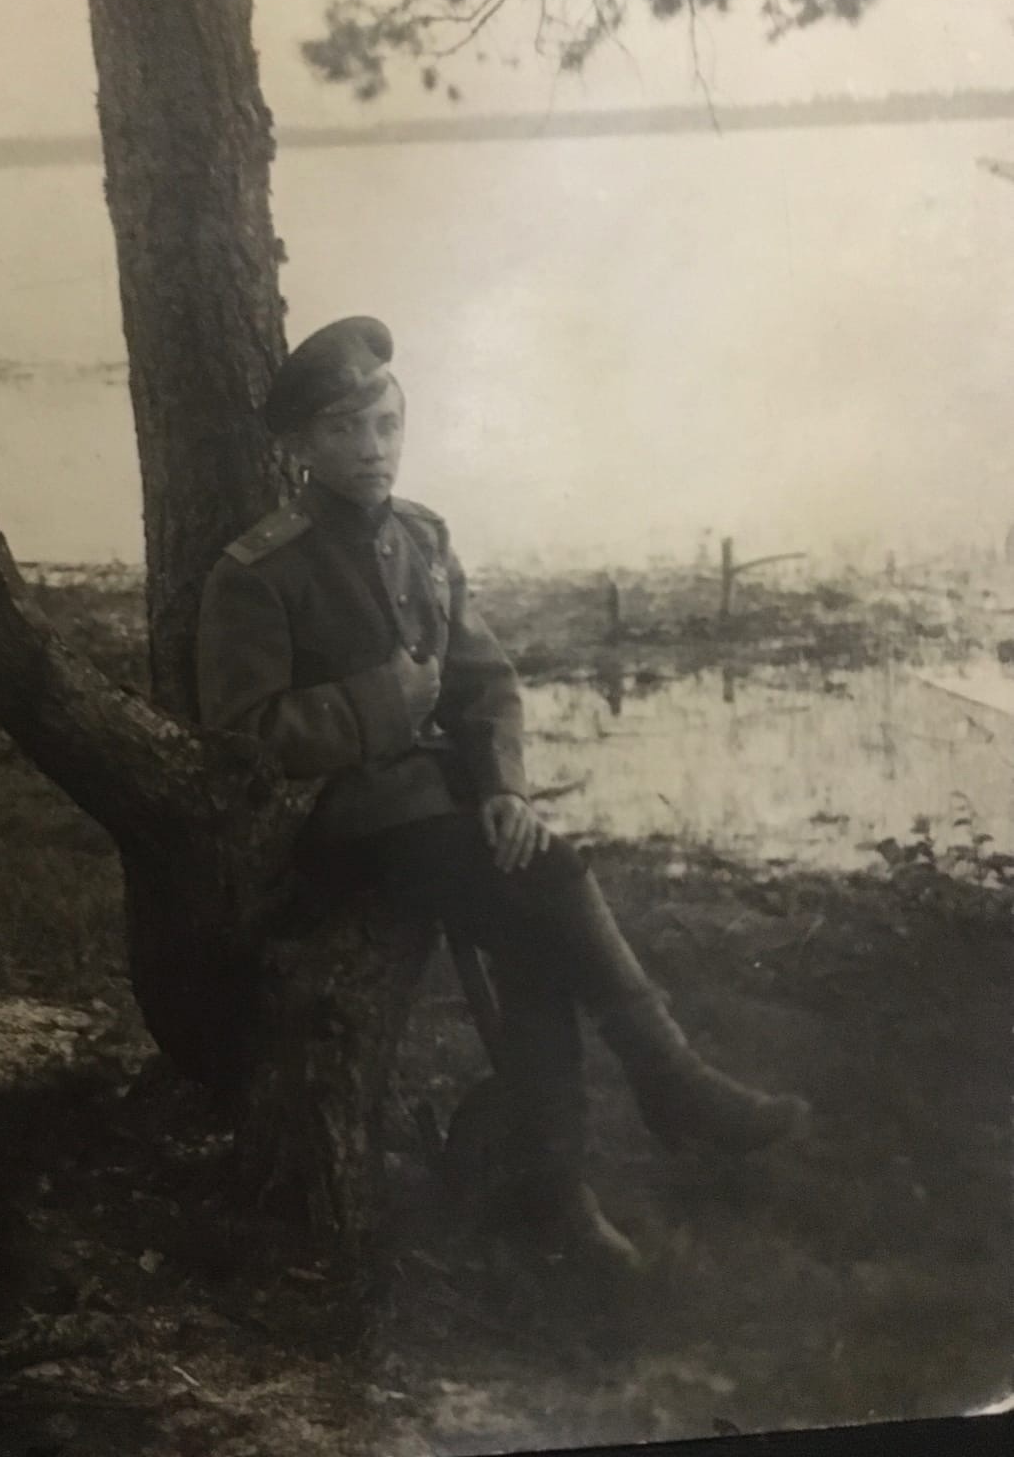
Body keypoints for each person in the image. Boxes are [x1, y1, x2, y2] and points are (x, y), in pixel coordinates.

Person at [196, 316, 808, 1272]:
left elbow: (486, 682)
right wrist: (381, 702)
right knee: (550, 886)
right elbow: (245, 737)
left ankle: (557, 1193)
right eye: (346, 431)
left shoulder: (422, 536)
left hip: (432, 813)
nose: (373, 450)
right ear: (302, 448)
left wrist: (506, 790)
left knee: (536, 930)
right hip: (338, 828)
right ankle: (666, 1084)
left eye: (387, 425)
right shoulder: (261, 572)